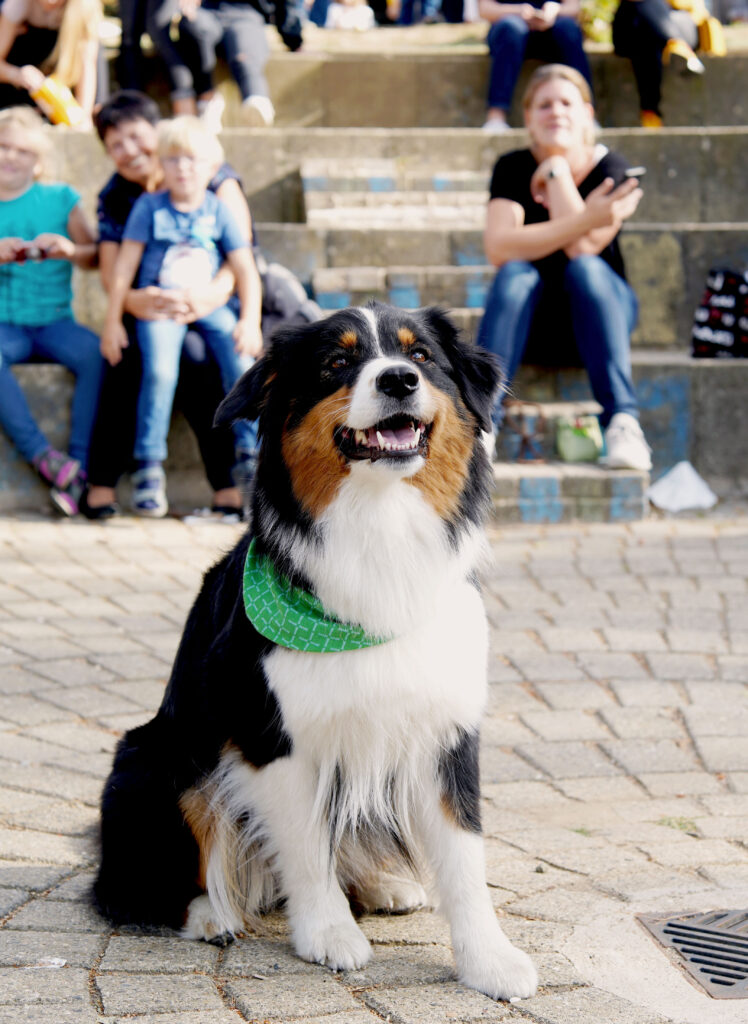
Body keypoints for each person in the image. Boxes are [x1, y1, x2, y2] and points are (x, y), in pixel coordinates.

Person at [85, 90, 258, 520]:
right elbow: (114, 269)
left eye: (135, 137)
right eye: (114, 145)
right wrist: (132, 303)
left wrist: (209, 298)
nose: (128, 151)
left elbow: (243, 258)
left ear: (156, 132)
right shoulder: (121, 198)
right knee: (127, 357)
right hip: (152, 303)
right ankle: (107, 480)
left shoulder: (209, 173)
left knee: (203, 360)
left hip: (218, 299)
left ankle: (231, 481)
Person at [476, 63, 652, 472]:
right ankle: (483, 426)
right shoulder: (512, 167)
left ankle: (623, 422)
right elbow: (499, 247)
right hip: (529, 325)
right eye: (544, 105)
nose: (556, 112)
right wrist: (589, 216)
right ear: (528, 119)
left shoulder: (611, 169)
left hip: (599, 318)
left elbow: (581, 248)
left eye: (566, 103)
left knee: (586, 269)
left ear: (587, 115)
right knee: (516, 272)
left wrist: (555, 173)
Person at [0, 106, 102, 515]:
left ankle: (75, 463)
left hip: (56, 323)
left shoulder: (61, 199)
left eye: (21, 150)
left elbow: (95, 255)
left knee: (98, 354)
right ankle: (44, 457)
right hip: (5, 326)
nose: (10, 156)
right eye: (2, 147)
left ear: (37, 159)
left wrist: (69, 250)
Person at [477, 0, 592, 133]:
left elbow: (574, 7)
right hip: (509, 32)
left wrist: (555, 10)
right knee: (511, 28)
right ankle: (496, 116)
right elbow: (485, 9)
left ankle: (585, 112)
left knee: (568, 29)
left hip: (553, 30)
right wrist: (517, 11)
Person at [0, 0, 103, 127]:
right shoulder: (17, 5)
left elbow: (87, 65)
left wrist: (84, 116)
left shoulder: (85, 6)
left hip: (63, 90)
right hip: (21, 90)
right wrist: (16, 74)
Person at [613, 0, 705, 128]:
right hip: (631, 25)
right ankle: (678, 47)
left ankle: (650, 113)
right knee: (642, 10)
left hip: (676, 23)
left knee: (646, 38)